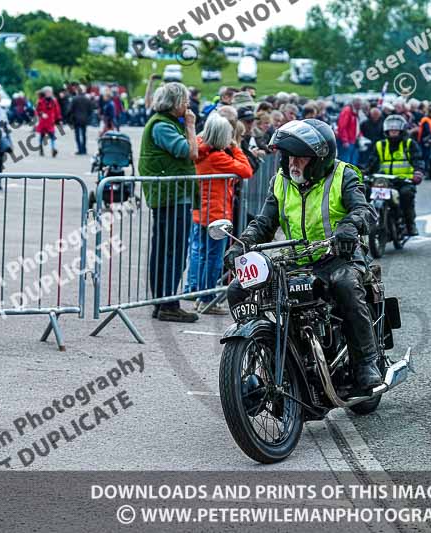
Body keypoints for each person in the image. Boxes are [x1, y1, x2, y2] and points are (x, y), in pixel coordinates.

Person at [224, 119, 383, 391]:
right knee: (238, 288)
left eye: (301, 158)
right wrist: (241, 244)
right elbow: (264, 222)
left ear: (320, 158)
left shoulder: (344, 176)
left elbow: (365, 211)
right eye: (289, 157)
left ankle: (366, 361)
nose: (293, 163)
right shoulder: (280, 181)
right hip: (295, 258)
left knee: (345, 284)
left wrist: (348, 227)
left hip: (338, 255)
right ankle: (265, 350)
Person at [138, 83, 200, 322]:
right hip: (171, 196)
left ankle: (164, 302)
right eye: (185, 101)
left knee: (166, 250)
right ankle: (167, 304)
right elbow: (190, 151)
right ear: (174, 103)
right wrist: (191, 126)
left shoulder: (163, 123)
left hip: (170, 195)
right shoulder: (163, 125)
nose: (188, 106)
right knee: (172, 251)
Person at [186, 112, 253, 314]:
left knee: (203, 254)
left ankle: (200, 294)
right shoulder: (218, 157)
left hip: (201, 211)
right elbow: (246, 169)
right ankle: (207, 298)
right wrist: (234, 147)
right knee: (214, 258)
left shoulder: (200, 150)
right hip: (216, 213)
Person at [366, 114, 424, 236]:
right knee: (365, 191)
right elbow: (371, 163)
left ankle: (410, 224)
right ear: (386, 130)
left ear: (401, 130)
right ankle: (364, 222)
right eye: (391, 130)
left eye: (396, 130)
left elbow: (418, 160)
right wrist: (364, 173)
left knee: (406, 194)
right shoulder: (380, 145)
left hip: (404, 181)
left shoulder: (409, 144)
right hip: (384, 181)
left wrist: (417, 174)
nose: (393, 132)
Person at [35, 87, 61, 157]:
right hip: (43, 122)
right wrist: (41, 114)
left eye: (50, 92)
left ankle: (53, 149)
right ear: (45, 93)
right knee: (42, 136)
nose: (49, 93)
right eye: (48, 92)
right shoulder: (40, 101)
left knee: (52, 136)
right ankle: (41, 148)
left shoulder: (54, 101)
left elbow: (57, 110)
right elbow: (37, 110)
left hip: (50, 122)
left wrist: (58, 119)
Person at [336, 98, 361, 165]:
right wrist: (345, 140)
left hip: (353, 140)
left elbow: (356, 126)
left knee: (351, 161)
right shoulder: (347, 111)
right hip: (348, 141)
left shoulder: (354, 112)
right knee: (345, 161)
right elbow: (342, 126)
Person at [69, 85, 92, 155]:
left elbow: (71, 109)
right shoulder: (87, 99)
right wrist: (87, 116)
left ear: (77, 91)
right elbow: (90, 110)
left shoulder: (74, 99)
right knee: (84, 134)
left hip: (76, 119)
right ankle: (84, 149)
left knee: (77, 135)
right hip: (84, 119)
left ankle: (79, 149)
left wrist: (69, 117)